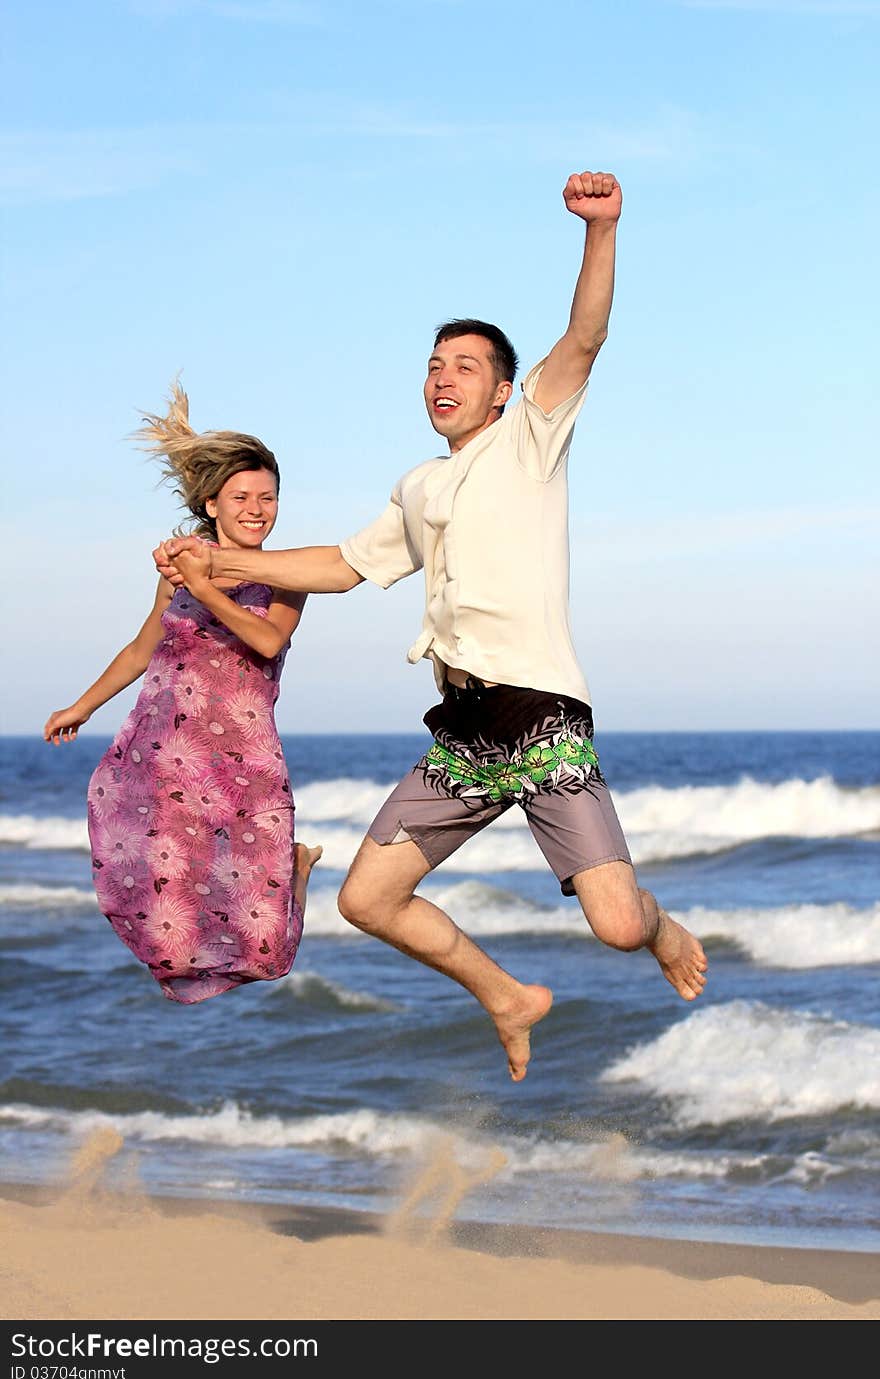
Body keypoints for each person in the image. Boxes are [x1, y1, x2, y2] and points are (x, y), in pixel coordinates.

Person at [154, 170, 707, 1072]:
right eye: (434, 364)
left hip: (540, 717)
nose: (444, 378)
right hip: (465, 732)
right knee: (367, 898)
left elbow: (587, 335)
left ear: (500, 392)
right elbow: (340, 564)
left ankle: (661, 926)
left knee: (613, 924)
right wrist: (218, 560)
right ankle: (507, 995)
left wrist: (600, 231)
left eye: (465, 367)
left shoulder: (530, 439)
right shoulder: (419, 485)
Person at [45, 385, 322, 1003]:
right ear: (211, 504)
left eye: (268, 498)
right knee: (171, 936)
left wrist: (210, 584)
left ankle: (297, 871)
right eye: (242, 497)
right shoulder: (178, 572)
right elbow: (142, 649)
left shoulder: (286, 575)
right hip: (167, 761)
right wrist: (82, 706)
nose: (257, 510)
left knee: (266, 952)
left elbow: (266, 643)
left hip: (244, 765)